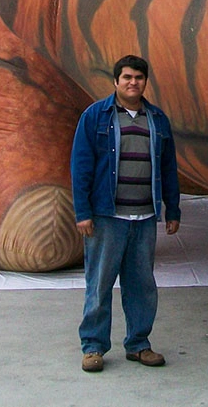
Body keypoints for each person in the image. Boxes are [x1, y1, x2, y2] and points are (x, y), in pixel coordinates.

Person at [70, 55, 181, 373]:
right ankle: (93, 347)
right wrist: (83, 212)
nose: (133, 82)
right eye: (127, 77)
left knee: (142, 284)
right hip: (107, 217)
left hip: (144, 217)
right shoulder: (96, 117)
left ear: (146, 82)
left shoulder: (157, 120)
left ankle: (138, 344)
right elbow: (81, 167)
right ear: (116, 81)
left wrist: (172, 209)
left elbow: (168, 168)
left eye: (139, 78)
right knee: (99, 283)